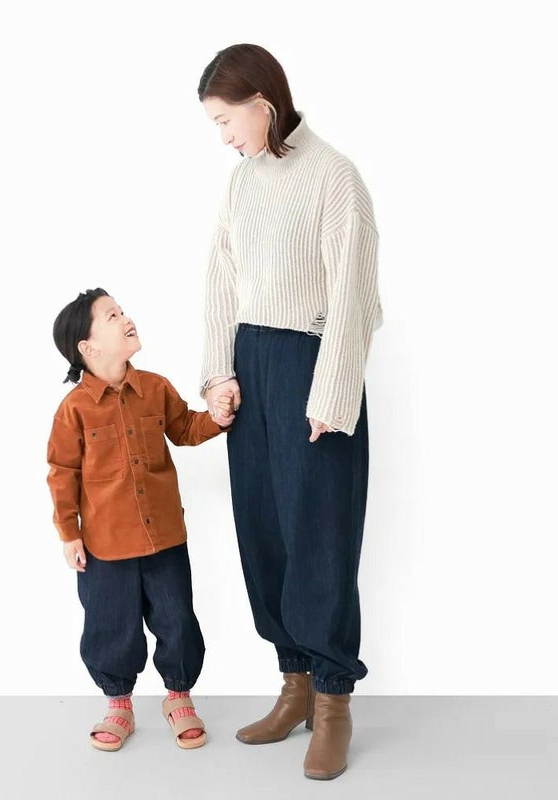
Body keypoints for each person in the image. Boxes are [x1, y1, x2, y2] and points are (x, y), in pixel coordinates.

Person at [198, 44, 383, 780]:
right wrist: (219, 373)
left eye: (225, 120)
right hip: (251, 364)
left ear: (261, 105)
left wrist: (331, 393)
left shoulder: (334, 176)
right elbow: (220, 279)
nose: (223, 137)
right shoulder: (243, 182)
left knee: (319, 534)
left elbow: (355, 295)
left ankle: (333, 701)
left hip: (311, 363)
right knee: (264, 528)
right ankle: (294, 683)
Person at [47, 288, 234, 751]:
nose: (126, 318)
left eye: (122, 310)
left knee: (177, 619)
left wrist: (218, 417)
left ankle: (178, 696)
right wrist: (69, 534)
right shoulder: (73, 410)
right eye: (112, 316)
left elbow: (185, 428)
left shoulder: (155, 387)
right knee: (111, 627)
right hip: (105, 547)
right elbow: (62, 472)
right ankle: (118, 704)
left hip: (164, 537)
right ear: (88, 347)